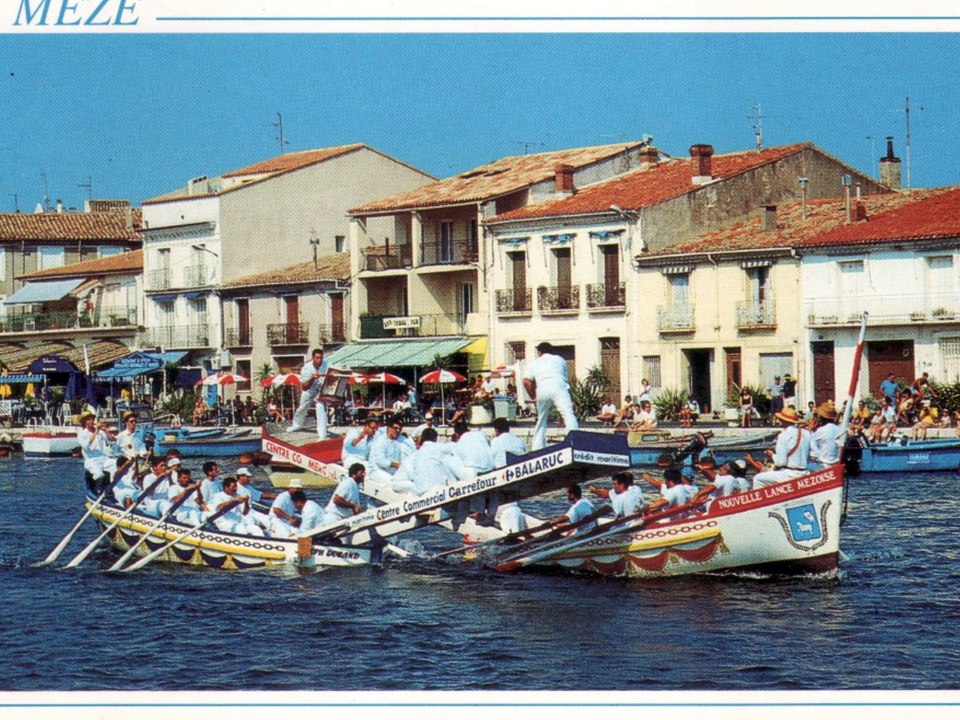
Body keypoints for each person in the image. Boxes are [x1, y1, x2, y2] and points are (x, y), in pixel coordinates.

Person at [523, 341, 579, 450]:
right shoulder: (560, 360)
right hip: (559, 387)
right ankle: (575, 443)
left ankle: (537, 448)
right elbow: (565, 381)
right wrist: (571, 399)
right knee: (568, 414)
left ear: (539, 352)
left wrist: (533, 396)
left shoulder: (534, 362)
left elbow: (526, 381)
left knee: (541, 419)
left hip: (542, 388)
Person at [751, 406, 812, 488]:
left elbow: (781, 462)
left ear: (782, 420)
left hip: (789, 474)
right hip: (805, 472)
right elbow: (814, 454)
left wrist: (772, 455)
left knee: (758, 479)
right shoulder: (807, 433)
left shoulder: (783, 436)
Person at [289, 348, 334, 439]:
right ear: (313, 358)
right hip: (309, 390)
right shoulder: (306, 368)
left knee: (320, 407)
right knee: (302, 408)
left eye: (321, 358)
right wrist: (312, 378)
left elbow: (333, 373)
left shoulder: (327, 364)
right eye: (317, 358)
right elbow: (305, 386)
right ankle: (296, 425)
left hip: (321, 389)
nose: (319, 360)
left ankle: (322, 433)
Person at [77, 412, 118, 484]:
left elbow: (113, 440)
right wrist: (96, 431)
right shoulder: (82, 434)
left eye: (92, 419)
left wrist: (105, 430)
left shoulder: (101, 432)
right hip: (91, 460)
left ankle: (113, 487)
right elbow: (86, 446)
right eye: (89, 420)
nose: (92, 421)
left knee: (116, 465)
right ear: (85, 422)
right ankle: (97, 488)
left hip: (103, 458)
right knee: (98, 474)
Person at [367, 419, 404, 484]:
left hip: (391, 471)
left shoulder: (398, 442)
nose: (398, 431)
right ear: (388, 428)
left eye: (400, 429)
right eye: (395, 428)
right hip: (377, 471)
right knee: (395, 483)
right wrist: (396, 464)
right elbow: (380, 461)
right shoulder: (380, 442)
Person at [809, 402, 845, 469]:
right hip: (836, 463)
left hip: (823, 465)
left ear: (821, 418)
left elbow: (813, 451)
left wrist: (810, 429)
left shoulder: (820, 431)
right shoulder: (840, 430)